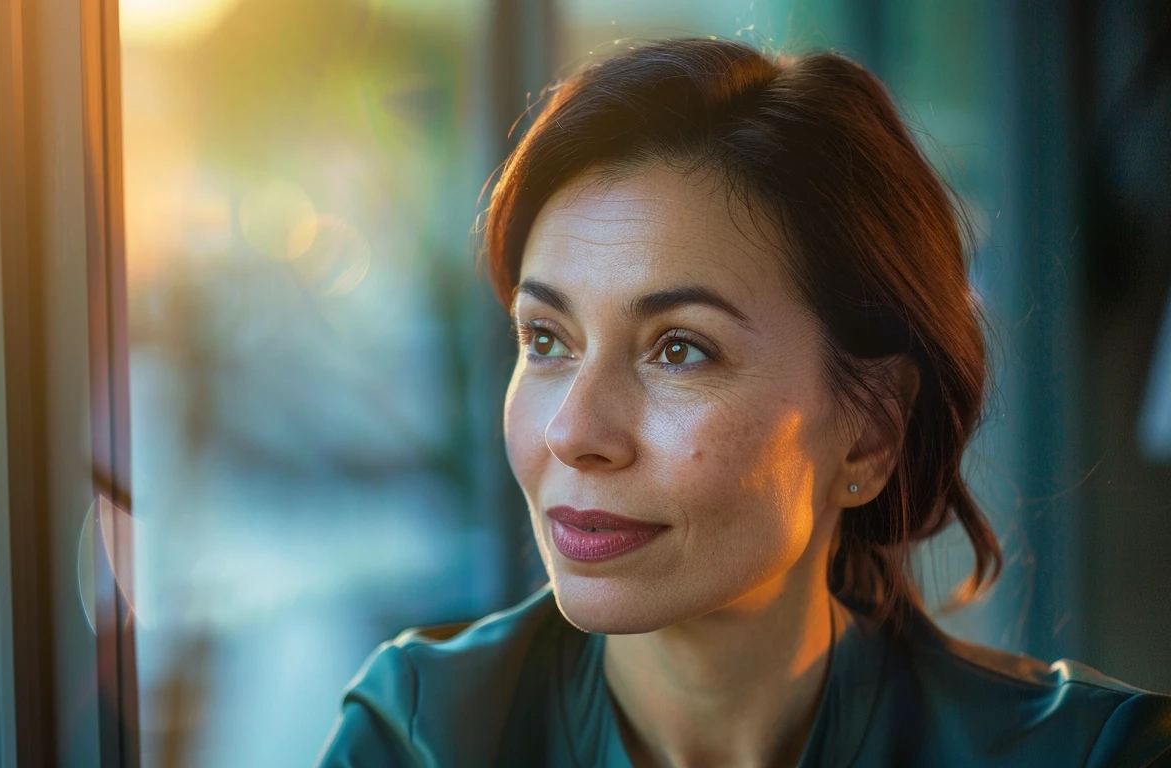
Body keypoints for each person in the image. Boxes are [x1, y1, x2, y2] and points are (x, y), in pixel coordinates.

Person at [317, 39, 1171, 767]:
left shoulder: (1094, 755)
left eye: (679, 349)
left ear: (870, 433)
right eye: (546, 340)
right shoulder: (424, 737)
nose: (574, 431)